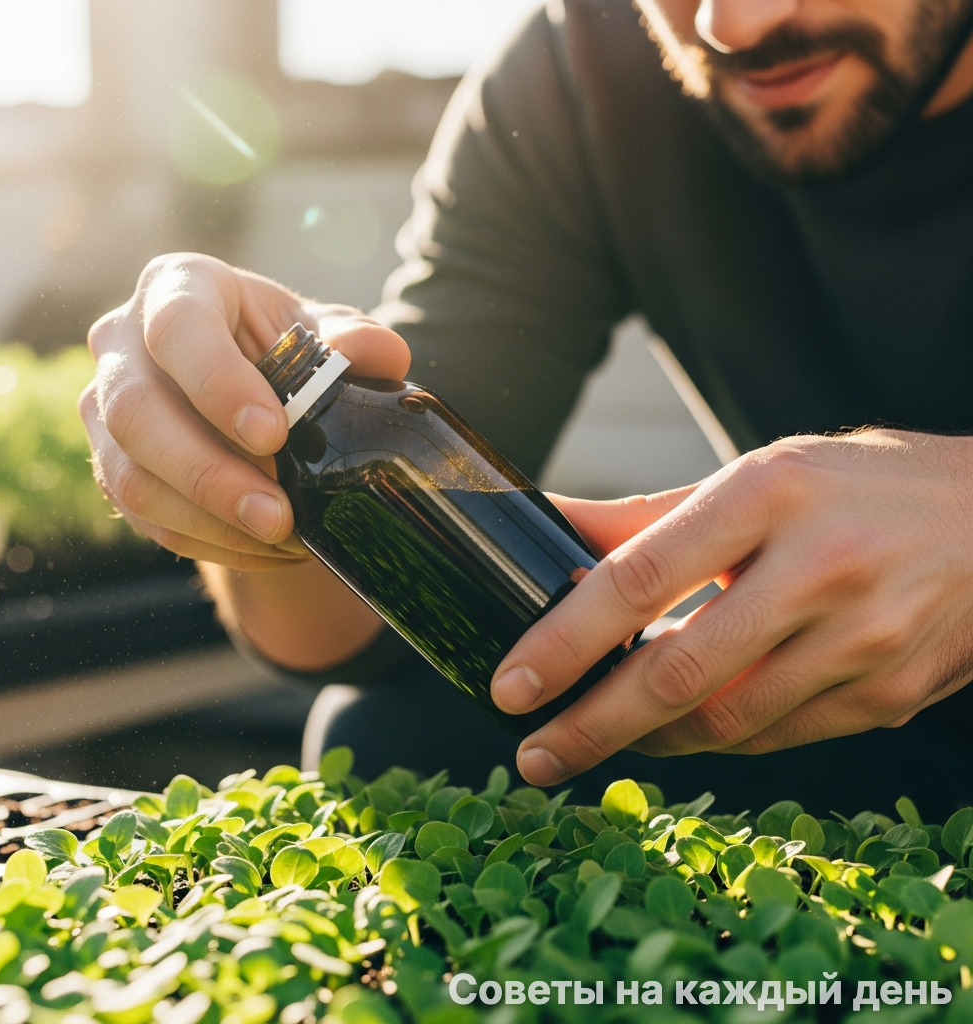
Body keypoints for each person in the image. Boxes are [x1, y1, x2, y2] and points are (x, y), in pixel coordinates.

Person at [81, 0, 973, 819]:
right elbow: (355, 634)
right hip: (847, 728)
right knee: (399, 742)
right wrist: (252, 448)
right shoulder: (583, 68)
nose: (732, 25)